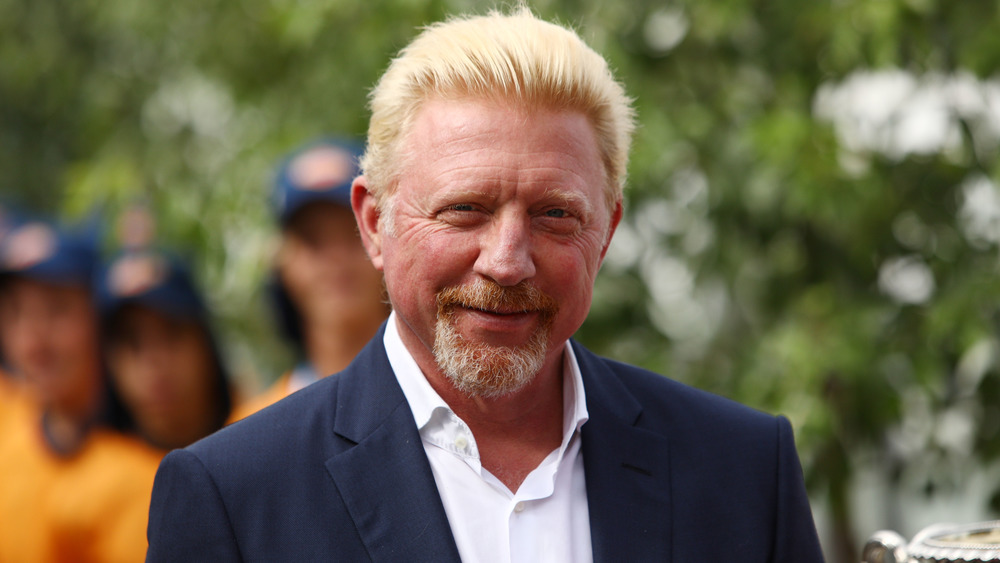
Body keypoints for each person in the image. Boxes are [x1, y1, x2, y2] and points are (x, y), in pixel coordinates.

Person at [146, 7, 824, 561]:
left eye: (555, 215)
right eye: (464, 209)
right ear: (375, 222)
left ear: (607, 231)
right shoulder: (234, 497)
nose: (507, 261)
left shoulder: (740, 473)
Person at [0, 218, 161, 562]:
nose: (33, 342)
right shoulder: (7, 429)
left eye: (56, 311)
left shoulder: (157, 459)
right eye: (16, 313)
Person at [229, 138, 389, 420]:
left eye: (354, 231)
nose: (336, 257)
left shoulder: (455, 402)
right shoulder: (253, 427)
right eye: (312, 240)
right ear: (280, 262)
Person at [97, 247, 233, 451]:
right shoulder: (93, 474)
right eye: (132, 342)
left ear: (205, 341)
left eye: (172, 332)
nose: (154, 360)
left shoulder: (263, 434)